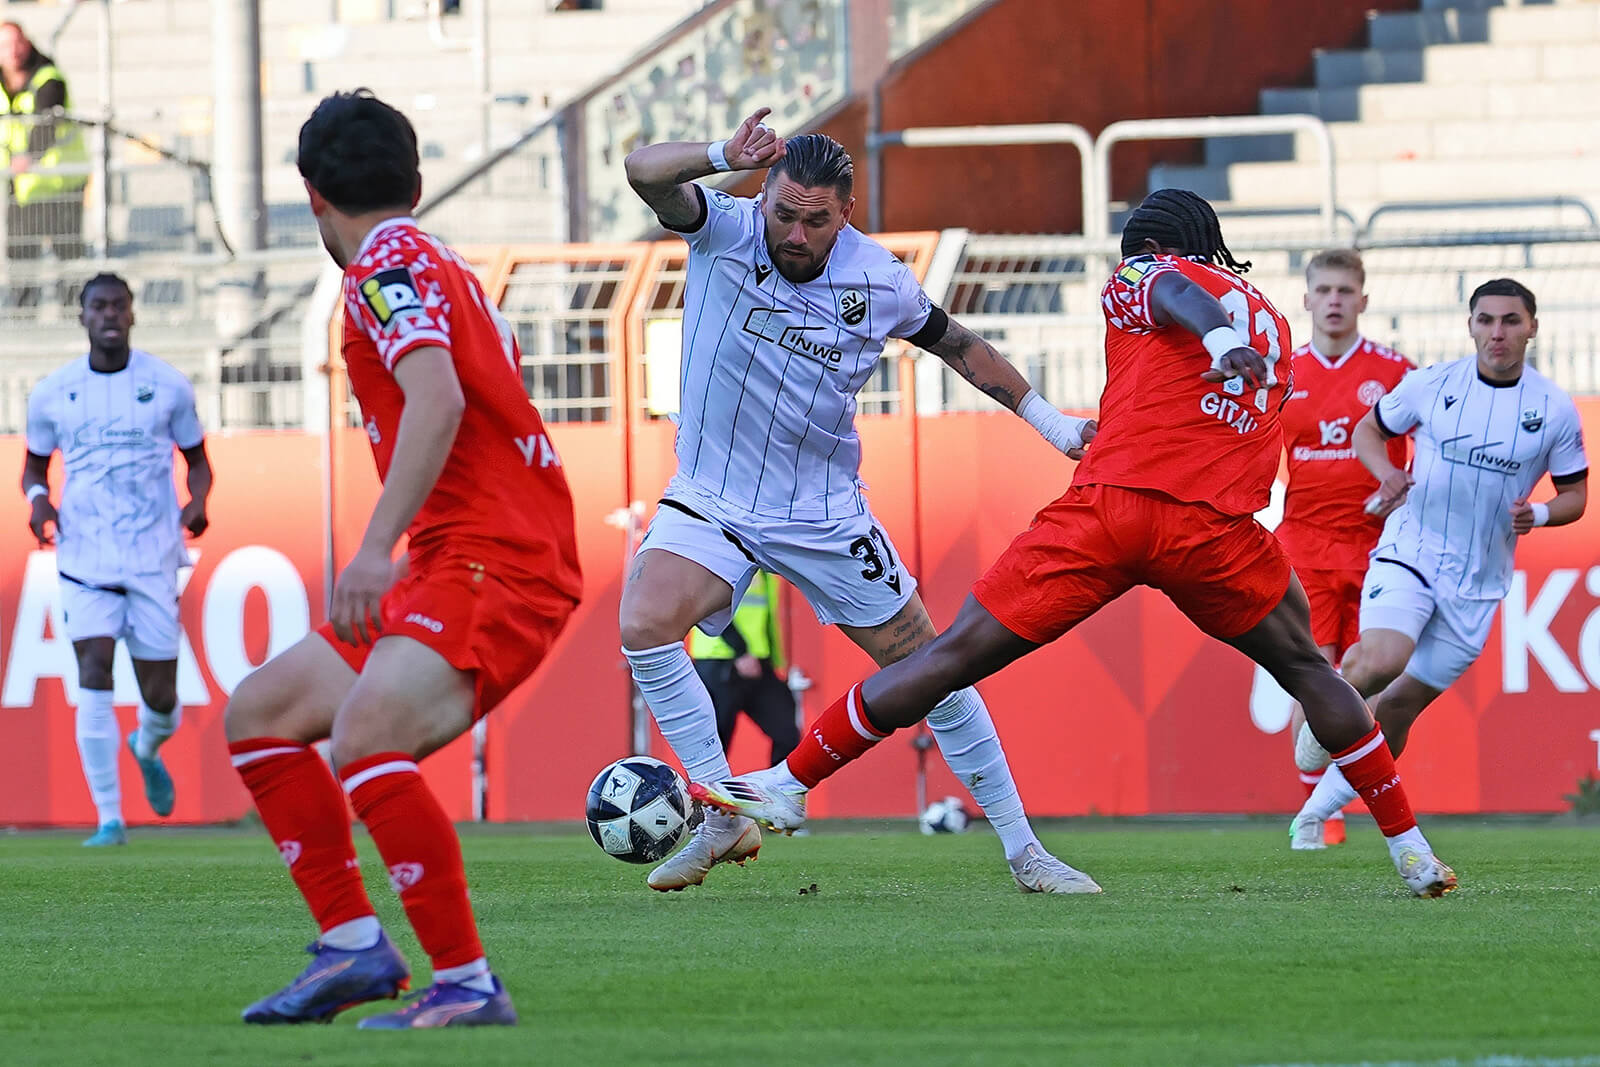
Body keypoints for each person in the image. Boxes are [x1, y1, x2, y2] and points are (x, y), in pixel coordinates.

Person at [696, 189, 1459, 899]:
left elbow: (1171, 290)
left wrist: (1212, 330)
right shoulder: (1278, 324)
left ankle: (793, 783)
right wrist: (1227, 340)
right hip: (1215, 530)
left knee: (950, 654)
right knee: (1309, 671)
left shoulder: (1150, 272)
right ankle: (1410, 848)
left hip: (1115, 507)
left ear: (1154, 244)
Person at [621, 107, 1101, 895]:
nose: (796, 235)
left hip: (824, 514)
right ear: (764, 194)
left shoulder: (879, 279)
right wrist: (718, 154)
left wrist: (1054, 426)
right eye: (784, 213)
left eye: (816, 221)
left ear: (847, 214)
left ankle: (1026, 853)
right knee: (642, 623)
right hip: (713, 495)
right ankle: (720, 814)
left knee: (936, 673)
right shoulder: (725, 227)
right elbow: (644, 170)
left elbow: (963, 349)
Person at [222, 90, 582, 1028]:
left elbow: (437, 400)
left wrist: (372, 548)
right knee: (262, 713)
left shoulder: (380, 267)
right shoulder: (433, 259)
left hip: (490, 557)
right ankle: (351, 948)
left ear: (311, 197)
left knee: (366, 739)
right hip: (461, 554)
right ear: (414, 181)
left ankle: (466, 982)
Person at [1290, 278, 1587, 845]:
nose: (1497, 333)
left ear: (1532, 327)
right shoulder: (1431, 384)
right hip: (1411, 548)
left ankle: (1317, 808)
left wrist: (1543, 515)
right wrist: (1387, 474)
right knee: (1379, 659)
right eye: (1486, 320)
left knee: (1398, 711)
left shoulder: (1553, 409)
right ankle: (1318, 738)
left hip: (1479, 580)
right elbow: (1369, 428)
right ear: (1470, 325)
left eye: (1510, 321)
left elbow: (1575, 495)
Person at [23, 272, 210, 846]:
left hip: (153, 556)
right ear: (81, 317)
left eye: (118, 306)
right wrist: (39, 502)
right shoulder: (53, 392)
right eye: (97, 306)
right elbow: (33, 467)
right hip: (85, 557)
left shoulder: (168, 386)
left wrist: (198, 501)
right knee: (93, 673)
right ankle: (109, 818)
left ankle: (147, 746)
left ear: (132, 315)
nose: (108, 315)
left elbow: (199, 461)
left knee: (161, 698)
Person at [1275, 249, 1413, 846]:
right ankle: (1316, 814)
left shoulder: (1397, 373)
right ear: (1306, 299)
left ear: (1363, 299)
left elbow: (1428, 450)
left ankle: (1332, 799)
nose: (1334, 300)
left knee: (1373, 691)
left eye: (1345, 290)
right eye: (1323, 289)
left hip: (1381, 550)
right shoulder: (1281, 374)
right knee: (1312, 680)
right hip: (1304, 546)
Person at [689, 569, 799, 765]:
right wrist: (740, 651)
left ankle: (779, 792)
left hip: (758, 663)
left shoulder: (765, 567)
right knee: (714, 747)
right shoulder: (719, 558)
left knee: (787, 734)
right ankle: (703, 796)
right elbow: (708, 608)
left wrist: (773, 659)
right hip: (719, 662)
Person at [0, 20, 86, 260]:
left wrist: (27, 158)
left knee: (68, 260)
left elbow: (47, 125)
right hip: (20, 188)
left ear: (27, 43)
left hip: (59, 183)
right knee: (22, 263)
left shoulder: (48, 78)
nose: (13, 51)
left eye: (17, 43)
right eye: (5, 46)